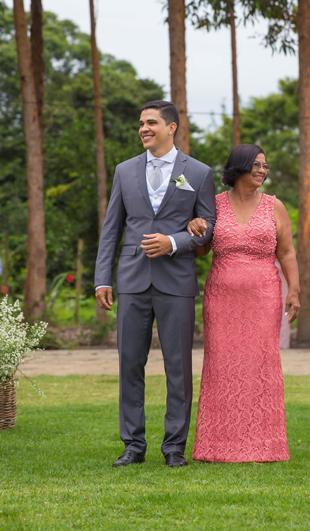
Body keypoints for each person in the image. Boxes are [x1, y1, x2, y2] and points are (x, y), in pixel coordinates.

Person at [94, 100, 217, 468]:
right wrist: (102, 278)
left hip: (176, 281)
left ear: (171, 127)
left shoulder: (198, 172)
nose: (143, 129)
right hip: (131, 280)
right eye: (141, 124)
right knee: (130, 364)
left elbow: (208, 227)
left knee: (178, 368)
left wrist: (174, 242)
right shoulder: (124, 171)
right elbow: (111, 228)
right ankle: (133, 446)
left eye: (151, 123)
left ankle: (174, 447)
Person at [187, 145, 299, 463]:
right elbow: (201, 250)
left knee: (260, 366)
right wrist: (194, 229)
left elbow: (287, 252)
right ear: (239, 168)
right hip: (221, 299)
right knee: (222, 367)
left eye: (265, 166)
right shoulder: (214, 204)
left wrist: (294, 290)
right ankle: (216, 446)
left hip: (263, 298)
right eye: (257, 165)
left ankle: (265, 445)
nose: (262, 171)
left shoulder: (275, 206)